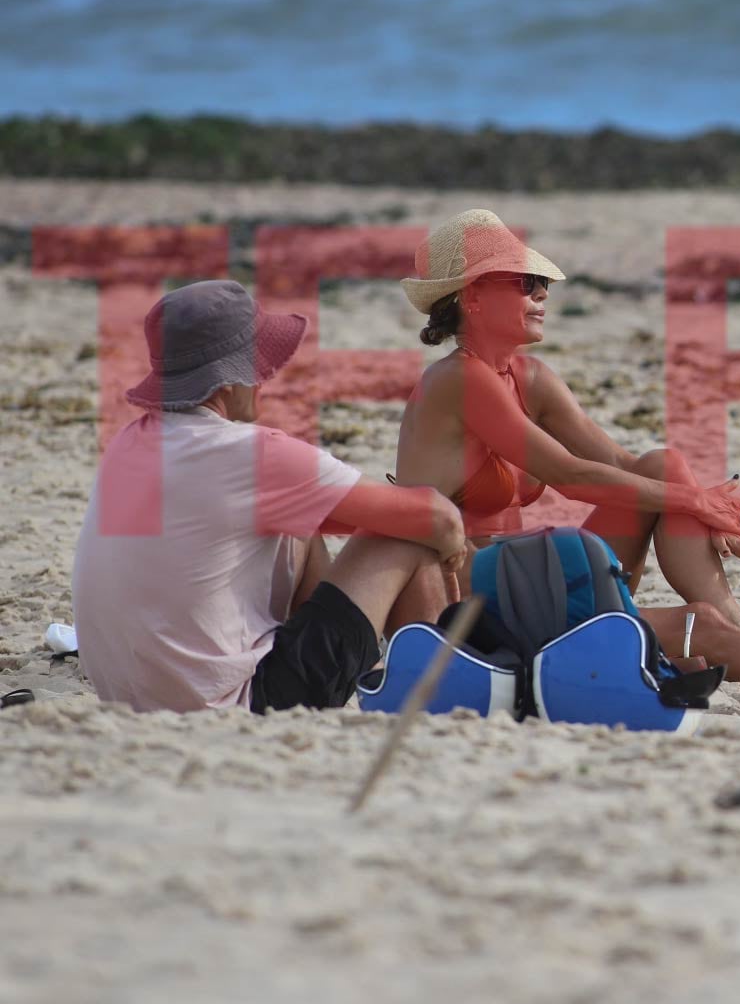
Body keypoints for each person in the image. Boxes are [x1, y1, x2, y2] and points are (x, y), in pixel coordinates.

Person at [393, 208, 740, 687]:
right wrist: (695, 502)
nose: (542, 294)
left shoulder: (529, 377)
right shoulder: (458, 381)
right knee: (701, 627)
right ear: (472, 297)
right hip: (470, 608)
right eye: (525, 282)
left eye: (541, 282)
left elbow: (623, 466)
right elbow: (570, 475)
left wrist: (706, 506)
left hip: (529, 582)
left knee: (661, 465)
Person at [71, 280, 467, 714]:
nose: (265, 378)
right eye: (257, 367)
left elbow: (323, 516)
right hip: (237, 702)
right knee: (407, 537)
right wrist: (447, 545)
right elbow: (438, 519)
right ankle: (441, 696)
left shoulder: (130, 443)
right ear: (227, 384)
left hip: (130, 698)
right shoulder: (249, 454)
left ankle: (372, 668)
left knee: (305, 519)